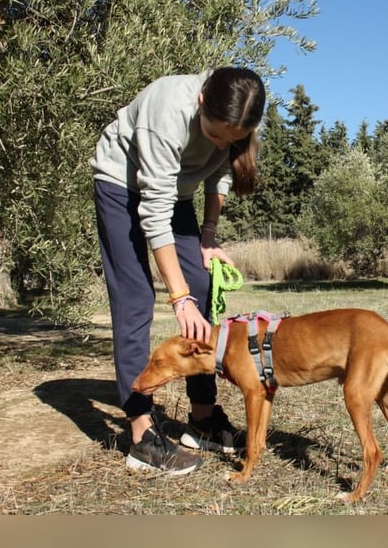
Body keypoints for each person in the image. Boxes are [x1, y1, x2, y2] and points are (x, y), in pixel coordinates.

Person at [90, 66, 265, 475]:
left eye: (233, 139)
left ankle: (202, 418)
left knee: (202, 282)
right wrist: (178, 297)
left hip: (176, 193)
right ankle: (140, 434)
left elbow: (220, 174)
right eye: (216, 134)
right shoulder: (168, 107)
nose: (223, 143)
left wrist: (207, 237)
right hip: (122, 186)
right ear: (202, 101)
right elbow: (154, 213)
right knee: (136, 299)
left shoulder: (245, 112)